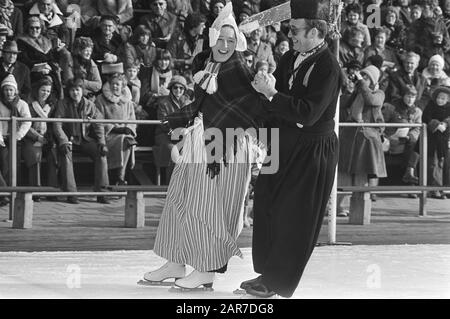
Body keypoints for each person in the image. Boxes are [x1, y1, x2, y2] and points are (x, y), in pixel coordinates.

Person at [142, 2, 267, 290]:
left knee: (209, 208)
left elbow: (252, 110)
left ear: (238, 43)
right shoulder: (208, 62)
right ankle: (175, 260)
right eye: (220, 39)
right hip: (201, 138)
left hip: (226, 147)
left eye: (230, 40)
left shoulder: (239, 69)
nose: (224, 45)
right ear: (212, 39)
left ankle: (206, 268)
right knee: (179, 199)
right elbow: (203, 102)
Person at [240, 0, 342, 298]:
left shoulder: (328, 66)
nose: (290, 33)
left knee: (293, 217)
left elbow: (308, 113)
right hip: (283, 143)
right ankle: (267, 272)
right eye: (290, 28)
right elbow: (276, 102)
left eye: (296, 29)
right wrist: (261, 98)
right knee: (268, 204)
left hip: (313, 150)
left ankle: (277, 281)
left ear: (316, 32)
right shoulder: (288, 58)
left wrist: (271, 94)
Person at [53, 77, 110, 204]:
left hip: (85, 139)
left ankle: (102, 192)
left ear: (82, 90)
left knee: (101, 154)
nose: (75, 93)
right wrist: (63, 140)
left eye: (77, 90)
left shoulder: (90, 104)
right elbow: (57, 124)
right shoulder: (63, 103)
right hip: (69, 140)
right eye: (72, 90)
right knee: (66, 153)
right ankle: (71, 193)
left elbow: (98, 124)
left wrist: (102, 142)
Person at [95, 67, 137, 186]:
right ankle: (119, 177)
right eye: (113, 84)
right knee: (125, 140)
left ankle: (120, 177)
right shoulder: (101, 99)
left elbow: (132, 119)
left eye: (118, 84)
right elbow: (98, 119)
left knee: (127, 140)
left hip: (124, 134)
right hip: (108, 134)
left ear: (122, 86)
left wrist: (129, 128)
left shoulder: (127, 101)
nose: (115, 87)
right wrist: (115, 128)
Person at [21, 76, 58, 200]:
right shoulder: (29, 104)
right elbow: (25, 124)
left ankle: (52, 191)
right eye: (43, 90)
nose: (45, 93)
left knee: (54, 155)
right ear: (37, 90)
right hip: (31, 138)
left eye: (48, 91)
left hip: (47, 137)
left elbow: (53, 124)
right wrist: (38, 137)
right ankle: (35, 190)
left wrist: (49, 138)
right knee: (35, 156)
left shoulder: (52, 105)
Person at [382, 84, 422, 196]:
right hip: (391, 138)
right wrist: (389, 136)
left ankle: (410, 175)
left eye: (413, 97)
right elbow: (382, 124)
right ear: (403, 96)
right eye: (408, 96)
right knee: (413, 147)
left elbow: (418, 128)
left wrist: (410, 135)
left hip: (407, 140)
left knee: (415, 144)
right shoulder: (391, 107)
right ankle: (410, 176)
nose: (410, 99)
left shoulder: (417, 111)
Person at [0, 74, 31, 205]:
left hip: (16, 138)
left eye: (11, 89)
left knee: (12, 166)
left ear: (15, 90)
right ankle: (5, 193)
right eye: (6, 89)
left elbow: (27, 121)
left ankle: (7, 194)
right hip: (2, 138)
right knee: (4, 164)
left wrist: (18, 135)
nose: (8, 92)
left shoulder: (21, 104)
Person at [153, 74, 190, 183]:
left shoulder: (188, 102)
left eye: (181, 88)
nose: (178, 90)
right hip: (164, 135)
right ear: (171, 88)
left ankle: (185, 186)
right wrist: (173, 133)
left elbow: (191, 121)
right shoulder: (163, 103)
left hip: (183, 136)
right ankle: (171, 186)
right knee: (173, 151)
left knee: (190, 151)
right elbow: (163, 122)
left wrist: (185, 131)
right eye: (175, 87)